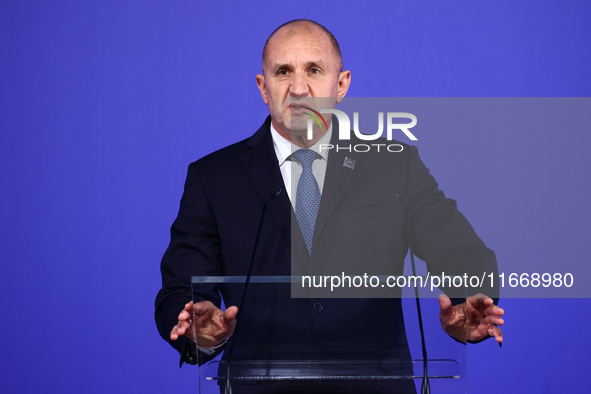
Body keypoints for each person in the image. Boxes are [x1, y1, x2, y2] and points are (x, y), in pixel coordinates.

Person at [155, 19, 504, 393]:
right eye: (283, 71)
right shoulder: (214, 177)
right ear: (263, 87)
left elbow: (460, 250)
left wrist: (467, 299)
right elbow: (181, 287)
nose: (299, 88)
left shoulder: (394, 165)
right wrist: (202, 331)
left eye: (314, 70)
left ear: (341, 84)